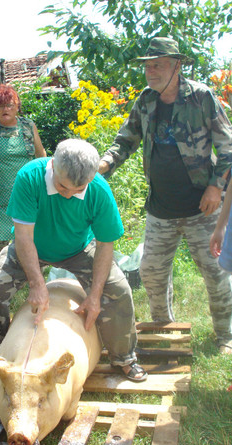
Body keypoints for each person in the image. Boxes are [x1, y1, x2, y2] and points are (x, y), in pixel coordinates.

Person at [98, 36, 232, 354]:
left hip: (202, 207)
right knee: (152, 272)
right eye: (148, 66)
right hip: (161, 208)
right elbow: (124, 141)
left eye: (157, 65)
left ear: (176, 66)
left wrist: (217, 186)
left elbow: (228, 146)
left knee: (215, 273)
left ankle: (225, 335)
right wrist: (101, 165)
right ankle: (163, 326)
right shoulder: (146, 101)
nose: (150, 71)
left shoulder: (201, 97)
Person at [0, 138, 147, 388]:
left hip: (79, 248)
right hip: (32, 246)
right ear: (53, 166)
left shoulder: (99, 190)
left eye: (77, 191)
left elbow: (104, 245)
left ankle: (123, 357)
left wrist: (95, 296)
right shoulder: (30, 177)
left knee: (119, 291)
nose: (68, 195)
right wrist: (36, 284)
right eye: (62, 187)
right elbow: (23, 237)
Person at [0, 84, 46, 266]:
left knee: (28, 241)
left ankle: (30, 278)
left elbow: (41, 156)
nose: (6, 110)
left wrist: (44, 187)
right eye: (1, 106)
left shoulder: (28, 127)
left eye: (10, 105)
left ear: (17, 107)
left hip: (27, 196)